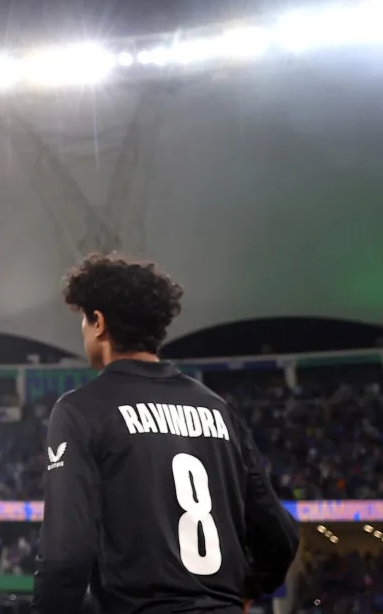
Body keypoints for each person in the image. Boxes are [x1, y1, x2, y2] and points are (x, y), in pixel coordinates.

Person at [32, 254, 299, 613]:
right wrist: (247, 589)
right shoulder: (217, 409)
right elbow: (280, 537)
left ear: (99, 323)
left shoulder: (82, 409)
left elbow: (66, 556)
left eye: (84, 317)